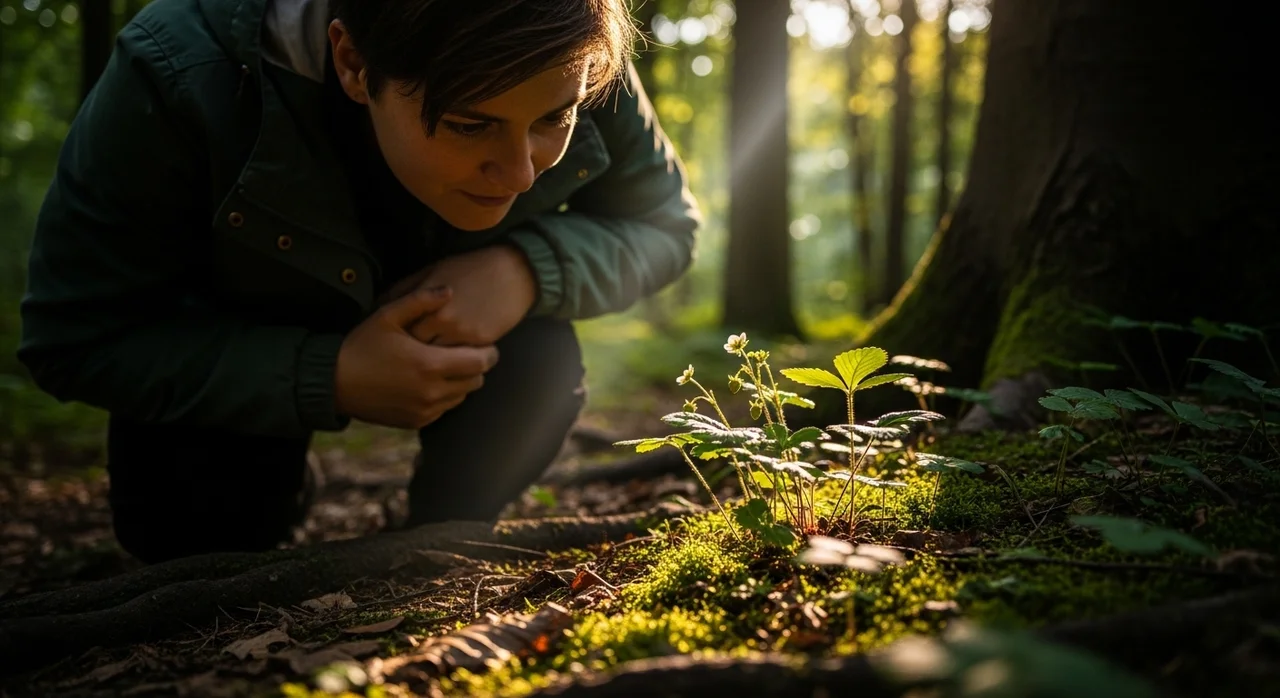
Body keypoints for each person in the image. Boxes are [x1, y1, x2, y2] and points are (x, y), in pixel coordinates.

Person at [17, 0, 700, 564]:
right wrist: (328, 375)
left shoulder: (571, 39)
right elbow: (74, 335)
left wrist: (524, 271)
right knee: (191, 539)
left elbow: (666, 224)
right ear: (351, 61)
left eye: (554, 119)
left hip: (474, 340)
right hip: (234, 347)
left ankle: (443, 531)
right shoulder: (175, 69)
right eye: (470, 124)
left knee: (540, 359)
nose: (521, 172)